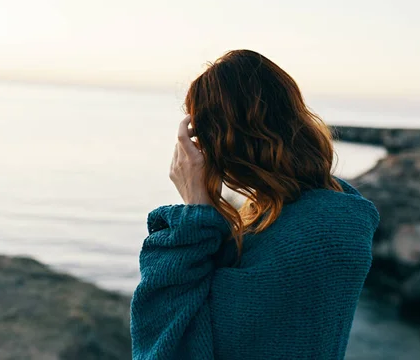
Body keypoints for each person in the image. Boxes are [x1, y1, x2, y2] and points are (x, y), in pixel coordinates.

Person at [130, 50, 379, 360]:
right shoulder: (338, 213)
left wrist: (196, 208)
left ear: (216, 141)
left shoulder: (308, 236)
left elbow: (166, 349)